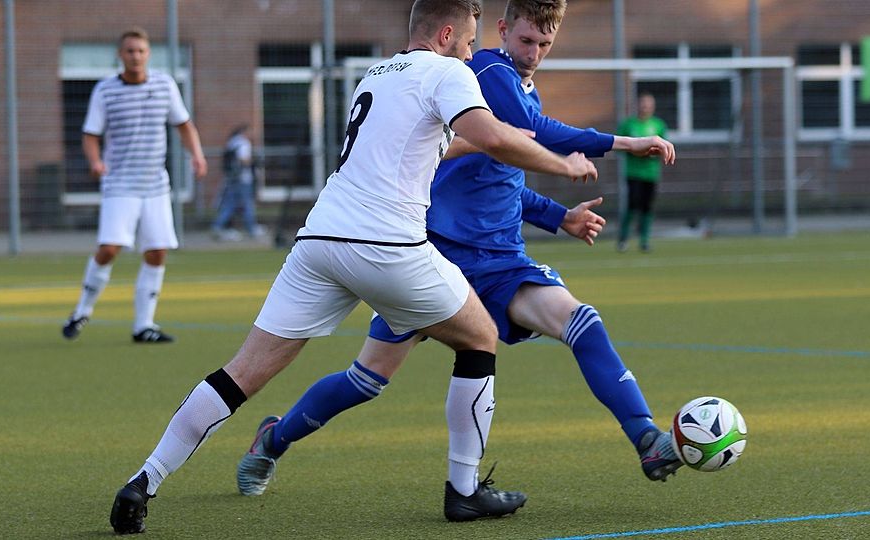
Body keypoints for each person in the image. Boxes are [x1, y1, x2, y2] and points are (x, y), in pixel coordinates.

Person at [108, 0, 598, 534]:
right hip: (387, 245)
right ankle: (464, 490)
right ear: (446, 34)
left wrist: (483, 147)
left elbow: (423, 148)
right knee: (480, 337)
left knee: (241, 372)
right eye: (468, 41)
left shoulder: (378, 74)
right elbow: (494, 136)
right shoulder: (449, 72)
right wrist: (562, 164)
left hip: (319, 240)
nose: (471, 53)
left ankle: (144, 480)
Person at [234, 0, 678, 523]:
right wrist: (624, 142)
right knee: (367, 379)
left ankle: (646, 438)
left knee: (580, 321)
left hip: (502, 262)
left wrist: (561, 218)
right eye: (525, 40)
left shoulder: (520, 87)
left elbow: (504, 182)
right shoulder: (485, 71)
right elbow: (538, 131)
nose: (533, 53)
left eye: (544, 44)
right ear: (502, 30)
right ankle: (274, 438)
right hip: (435, 257)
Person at [61, 27, 207, 344]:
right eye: (130, 51)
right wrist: (95, 161)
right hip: (119, 184)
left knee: (156, 252)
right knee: (109, 248)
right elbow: (90, 134)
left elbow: (184, 125)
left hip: (155, 184)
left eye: (141, 51)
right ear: (120, 55)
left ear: (148, 54)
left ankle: (144, 325)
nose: (135, 56)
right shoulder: (105, 91)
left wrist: (196, 155)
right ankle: (81, 311)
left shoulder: (164, 85)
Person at [617, 92, 667, 253]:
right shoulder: (629, 124)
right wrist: (635, 151)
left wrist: (653, 153)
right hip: (634, 172)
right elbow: (618, 145)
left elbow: (664, 147)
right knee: (632, 204)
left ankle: (644, 240)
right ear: (637, 105)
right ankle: (623, 239)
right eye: (643, 103)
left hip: (651, 173)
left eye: (648, 104)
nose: (645, 107)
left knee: (647, 206)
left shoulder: (658, 125)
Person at [212, 124, 264, 241]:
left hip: (232, 178)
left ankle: (217, 226)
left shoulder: (232, 142)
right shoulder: (243, 143)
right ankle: (251, 228)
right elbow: (244, 159)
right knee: (247, 204)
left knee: (229, 204)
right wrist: (254, 162)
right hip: (243, 179)